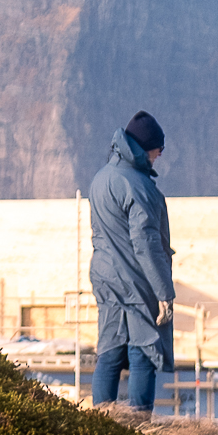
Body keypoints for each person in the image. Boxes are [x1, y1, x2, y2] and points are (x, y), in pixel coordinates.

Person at [88, 110, 175, 411]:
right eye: (158, 149)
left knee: (109, 351)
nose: (159, 155)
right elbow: (146, 243)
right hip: (137, 279)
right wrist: (164, 293)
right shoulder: (139, 186)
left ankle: (99, 424)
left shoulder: (101, 178)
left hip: (104, 275)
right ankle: (137, 428)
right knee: (143, 352)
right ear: (146, 147)